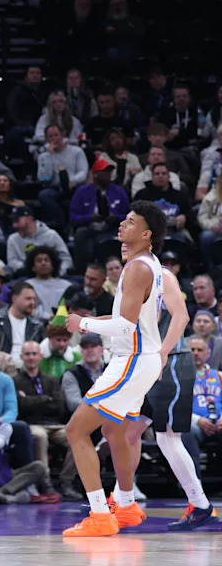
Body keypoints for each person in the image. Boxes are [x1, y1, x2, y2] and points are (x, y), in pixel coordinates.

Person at [62, 201, 168, 536]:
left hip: (132, 360)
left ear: (147, 234)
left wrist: (83, 326)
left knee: (76, 431)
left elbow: (125, 327)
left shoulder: (138, 268)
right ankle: (125, 505)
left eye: (130, 222)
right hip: (142, 359)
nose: (122, 226)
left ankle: (99, 516)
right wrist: (86, 321)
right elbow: (128, 319)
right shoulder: (148, 264)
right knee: (114, 431)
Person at [113, 265, 218, 530]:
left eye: (130, 227)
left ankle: (201, 504)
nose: (122, 241)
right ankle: (121, 499)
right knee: (130, 434)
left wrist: (161, 353)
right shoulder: (133, 274)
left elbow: (176, 316)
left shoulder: (158, 274)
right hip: (147, 364)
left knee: (167, 438)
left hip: (168, 363)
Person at [14, 340, 79, 500]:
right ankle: (46, 483)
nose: (31, 357)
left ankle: (66, 482)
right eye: (27, 354)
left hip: (55, 424)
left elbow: (59, 407)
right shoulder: (15, 381)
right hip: (32, 424)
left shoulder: (51, 380)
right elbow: (20, 406)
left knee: (78, 437)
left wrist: (32, 400)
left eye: (34, 354)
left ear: (41, 356)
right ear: (21, 357)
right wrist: (46, 399)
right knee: (39, 436)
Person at [0, 282, 46, 363]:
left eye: (34, 299)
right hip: (2, 366)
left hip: (28, 368)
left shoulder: (37, 325)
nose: (32, 303)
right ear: (14, 299)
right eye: (28, 298)